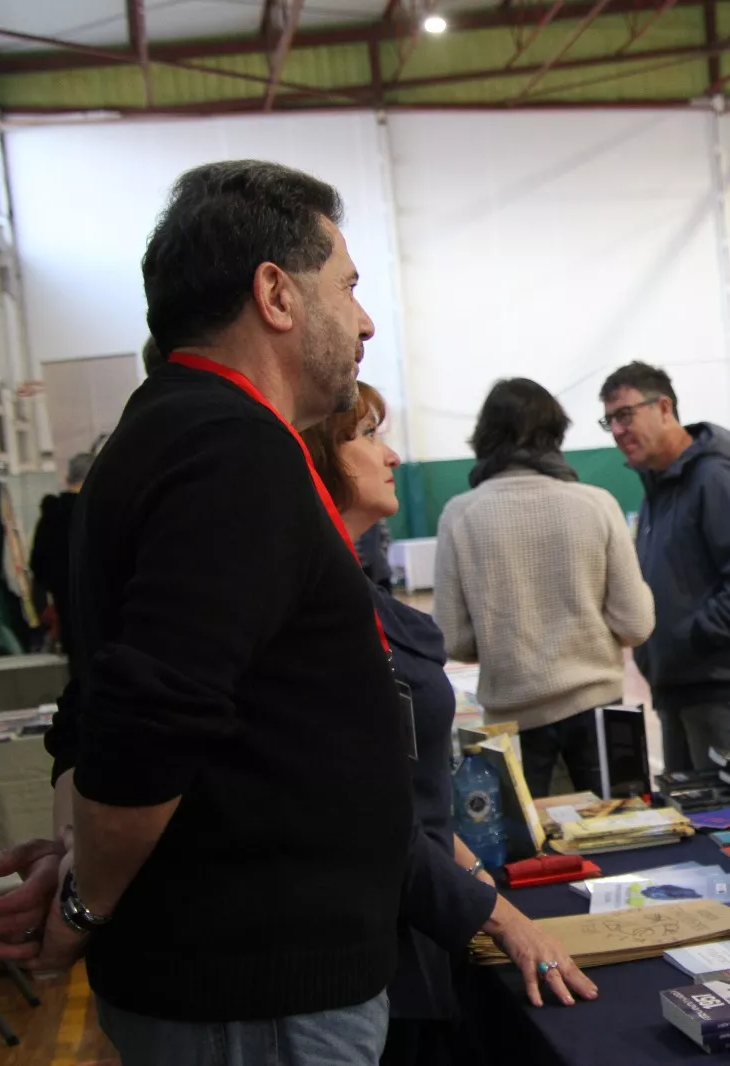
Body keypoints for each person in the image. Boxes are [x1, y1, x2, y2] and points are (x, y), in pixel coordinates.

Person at [6, 160, 411, 1063]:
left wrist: (83, 866)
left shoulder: (173, 433)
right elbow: (149, 717)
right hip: (254, 1001)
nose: (365, 319)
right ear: (275, 293)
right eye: (346, 286)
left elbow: (104, 702)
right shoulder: (230, 447)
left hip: (244, 987)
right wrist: (84, 904)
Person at [304, 382, 597, 1065]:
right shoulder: (317, 612)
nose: (393, 454)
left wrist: (463, 864)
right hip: (380, 938)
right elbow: (366, 809)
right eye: (367, 435)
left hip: (421, 904)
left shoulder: (367, 586)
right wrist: (497, 914)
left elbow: (410, 785)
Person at [436, 378, 654, 801]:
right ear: (556, 432)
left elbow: (453, 639)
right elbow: (636, 623)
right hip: (601, 718)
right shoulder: (596, 504)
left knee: (527, 860)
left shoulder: (460, 515)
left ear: (484, 436)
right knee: (625, 845)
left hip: (510, 729)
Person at [599, 361, 730, 770]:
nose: (617, 430)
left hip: (711, 682)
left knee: (724, 815)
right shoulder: (659, 486)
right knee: (690, 813)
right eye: (609, 420)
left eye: (626, 415)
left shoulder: (713, 478)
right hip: (674, 680)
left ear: (664, 408)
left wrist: (697, 637)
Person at [29, 450, 94, 646]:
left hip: (65, 609)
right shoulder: (93, 513)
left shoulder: (51, 514)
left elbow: (37, 565)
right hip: (98, 612)